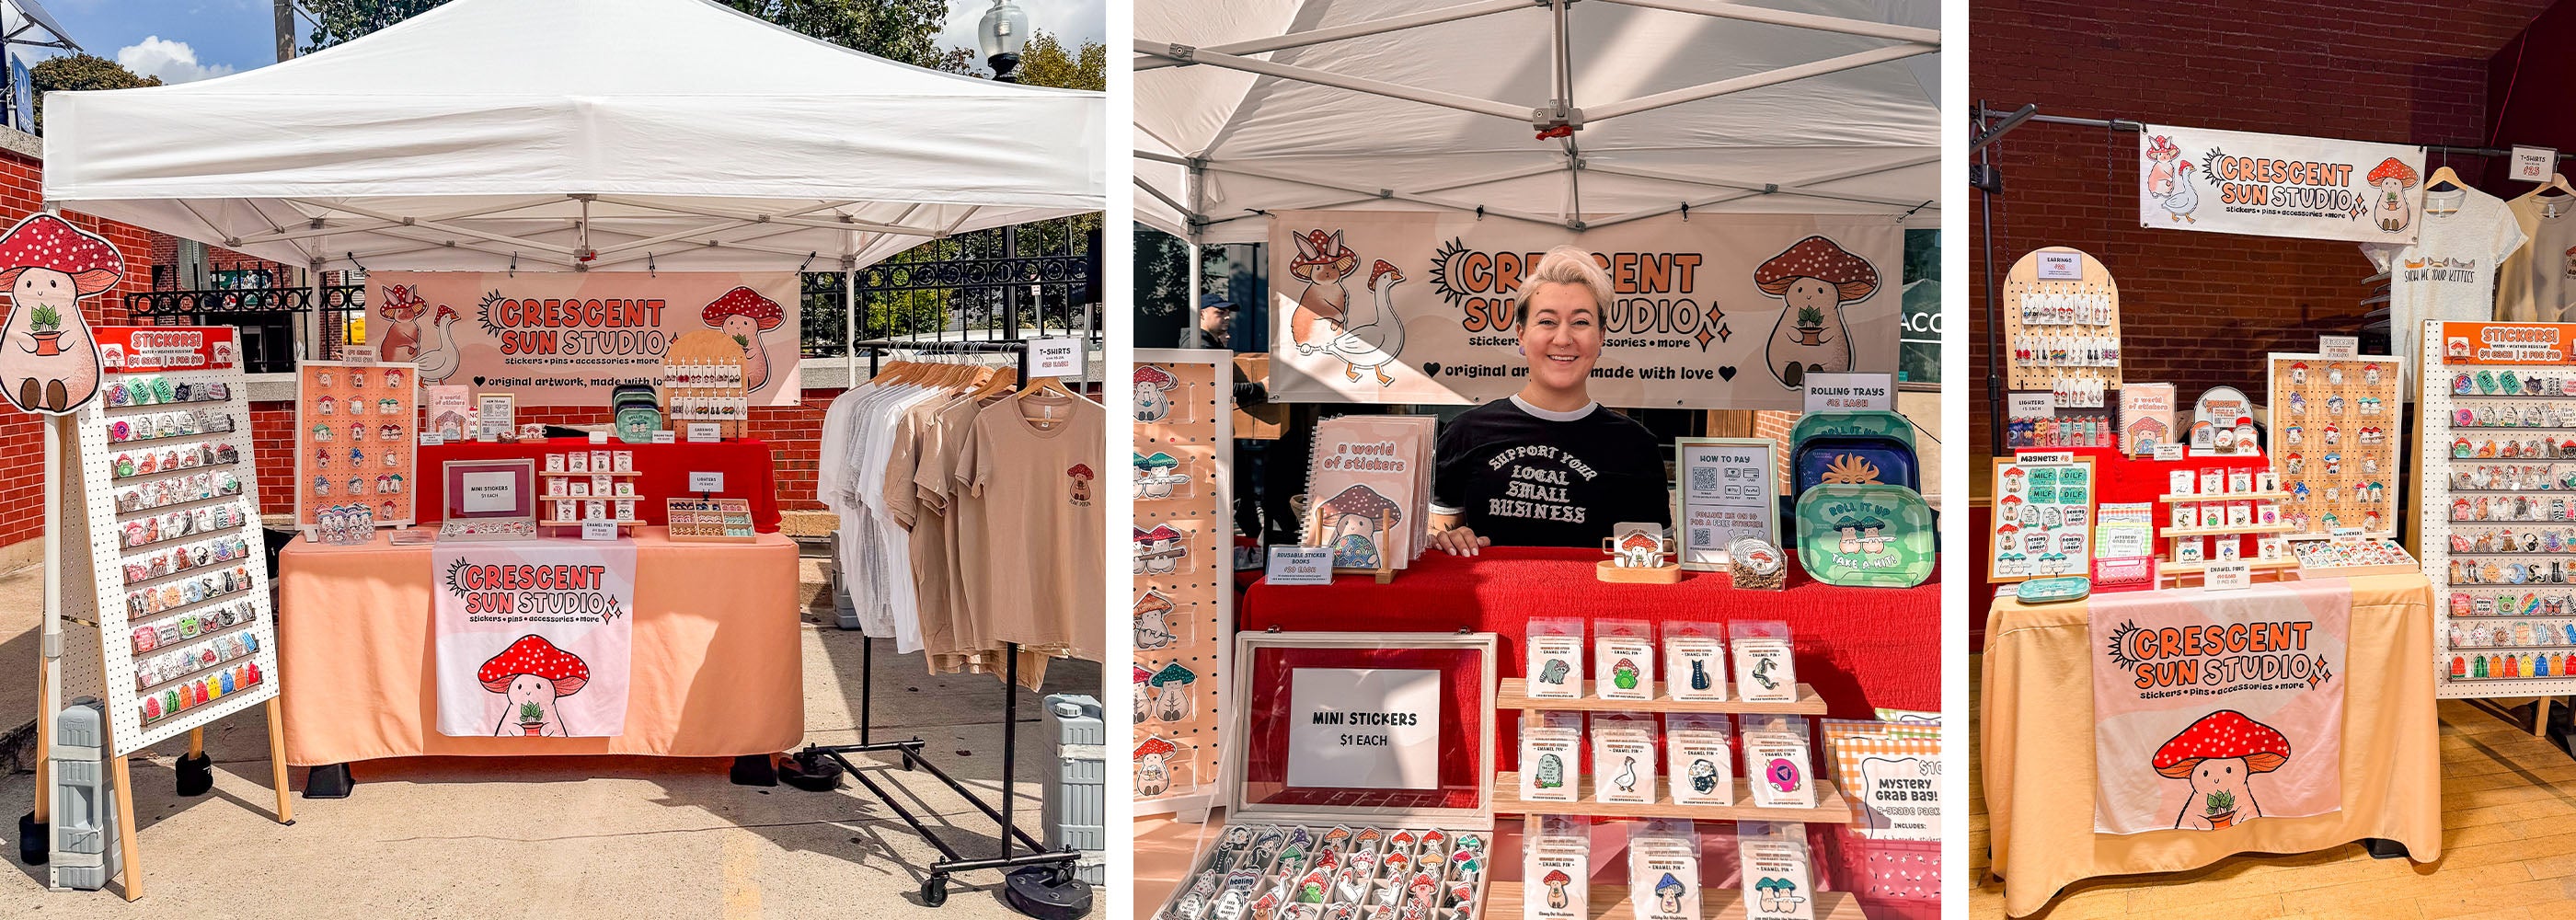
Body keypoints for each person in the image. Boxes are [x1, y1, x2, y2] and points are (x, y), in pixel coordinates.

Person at [1427, 246, 1668, 554]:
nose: (1564, 338)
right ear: (1520, 334)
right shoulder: (1466, 432)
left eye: (1581, 322)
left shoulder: (1637, 446)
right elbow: (1440, 534)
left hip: (1595, 603)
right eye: (1547, 322)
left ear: (1601, 336)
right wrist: (1445, 539)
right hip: (1496, 603)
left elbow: (1650, 561)